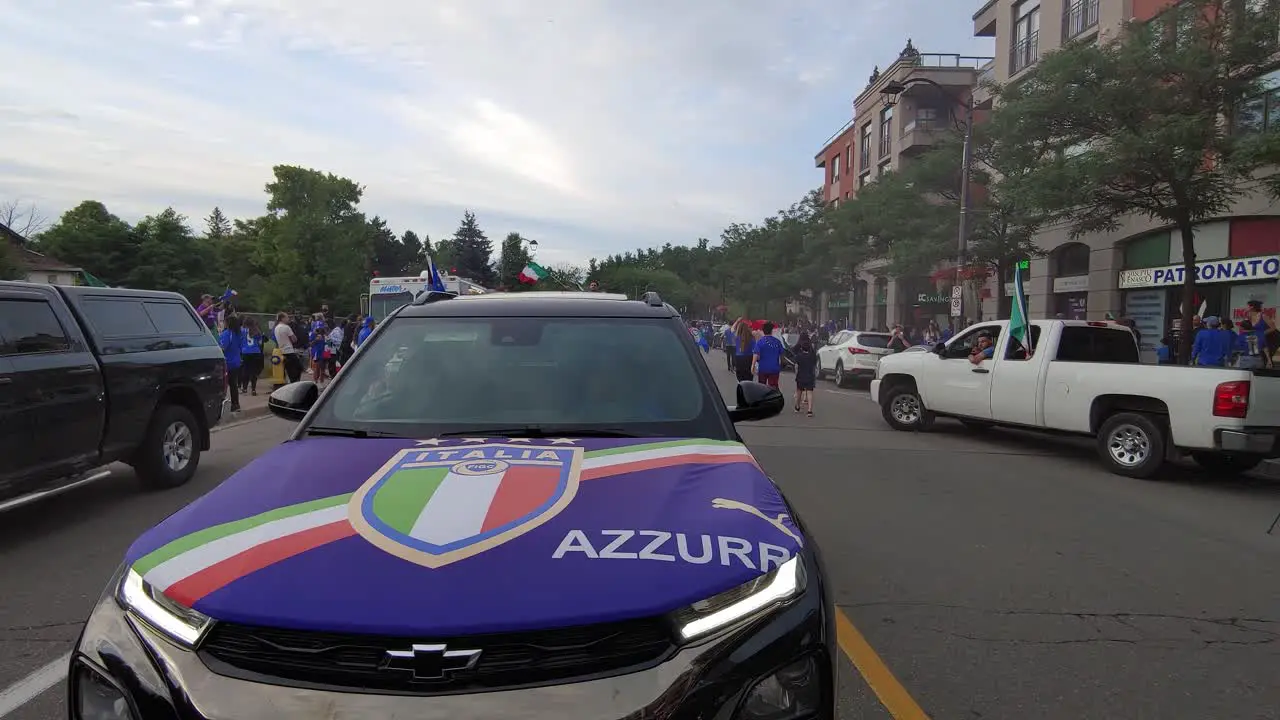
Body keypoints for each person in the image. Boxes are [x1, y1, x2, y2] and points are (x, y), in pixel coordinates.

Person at [218, 314, 245, 413]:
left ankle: (221, 405)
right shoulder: (239, 333)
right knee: (233, 384)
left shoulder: (227, 333)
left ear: (228, 323)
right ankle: (235, 404)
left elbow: (223, 347)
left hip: (227, 362)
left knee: (222, 385)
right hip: (236, 361)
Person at [753, 321, 785, 388]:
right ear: (771, 331)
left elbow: (756, 354)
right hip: (774, 368)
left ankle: (763, 398)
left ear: (763, 331)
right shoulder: (777, 342)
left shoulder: (760, 342)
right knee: (773, 387)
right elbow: (782, 355)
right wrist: (782, 363)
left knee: (761, 387)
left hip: (763, 368)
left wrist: (753, 365)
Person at [792, 332, 817, 418]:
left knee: (799, 391)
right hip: (810, 376)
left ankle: (797, 406)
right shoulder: (812, 355)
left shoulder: (799, 356)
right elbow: (814, 362)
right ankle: (809, 410)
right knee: (810, 392)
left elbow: (796, 364)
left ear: (802, 348)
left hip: (800, 376)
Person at [274, 311, 303, 383]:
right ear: (282, 318)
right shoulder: (286, 327)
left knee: (289, 369)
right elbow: (294, 339)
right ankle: (294, 382)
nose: (288, 319)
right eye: (287, 317)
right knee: (299, 367)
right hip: (289, 351)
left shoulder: (276, 328)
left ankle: (291, 381)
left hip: (282, 351)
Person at [239, 317, 265, 396]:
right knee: (253, 371)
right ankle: (253, 390)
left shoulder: (242, 330)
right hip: (255, 352)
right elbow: (260, 343)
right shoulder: (257, 331)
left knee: (245, 370)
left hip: (245, 352)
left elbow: (239, 341)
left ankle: (244, 388)